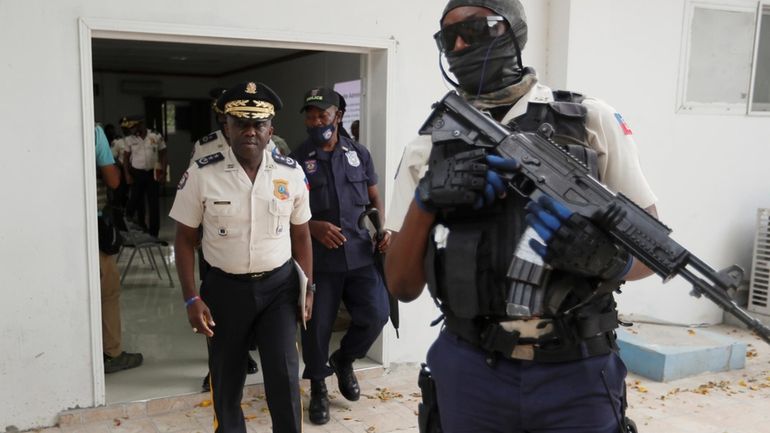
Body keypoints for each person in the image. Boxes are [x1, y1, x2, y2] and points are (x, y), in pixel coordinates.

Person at [384, 1, 658, 432]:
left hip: (577, 371)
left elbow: (654, 251)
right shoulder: (428, 145)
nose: (458, 45)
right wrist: (426, 199)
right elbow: (400, 285)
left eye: (474, 31)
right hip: (471, 368)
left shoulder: (589, 120)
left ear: (512, 32)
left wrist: (611, 259)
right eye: (447, 37)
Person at [170, 81, 314, 433]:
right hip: (224, 291)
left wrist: (308, 289)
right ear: (227, 127)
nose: (250, 131)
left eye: (258, 124)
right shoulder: (202, 174)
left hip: (279, 289)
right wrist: (192, 297)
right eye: (241, 123)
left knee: (283, 377)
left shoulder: (291, 173)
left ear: (271, 130)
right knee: (226, 379)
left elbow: (301, 234)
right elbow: (184, 240)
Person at [290, 87, 391, 425]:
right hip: (318, 260)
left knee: (377, 314)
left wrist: (382, 229)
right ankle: (318, 386)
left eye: (322, 114)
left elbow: (374, 197)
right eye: (310, 115)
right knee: (316, 327)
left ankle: (345, 359)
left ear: (338, 116)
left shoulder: (358, 153)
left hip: (360, 253)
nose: (316, 121)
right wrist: (314, 227)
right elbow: (285, 210)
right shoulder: (295, 159)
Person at [191, 88, 260, 393]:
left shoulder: (268, 142)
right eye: (223, 113)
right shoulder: (204, 147)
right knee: (216, 310)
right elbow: (192, 194)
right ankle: (215, 368)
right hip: (215, 243)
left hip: (256, 241)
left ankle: (243, 352)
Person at [95, 123, 144, 373]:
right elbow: (113, 181)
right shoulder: (92, 131)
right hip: (92, 224)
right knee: (107, 290)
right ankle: (111, 353)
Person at [122, 116, 167, 237]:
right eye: (130, 128)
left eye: (133, 127)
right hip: (137, 174)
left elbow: (163, 154)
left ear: (141, 125)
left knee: (154, 204)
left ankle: (154, 234)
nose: (131, 130)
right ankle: (129, 227)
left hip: (152, 173)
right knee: (134, 201)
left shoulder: (155, 136)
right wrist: (127, 174)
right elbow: (126, 158)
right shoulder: (129, 139)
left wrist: (163, 172)